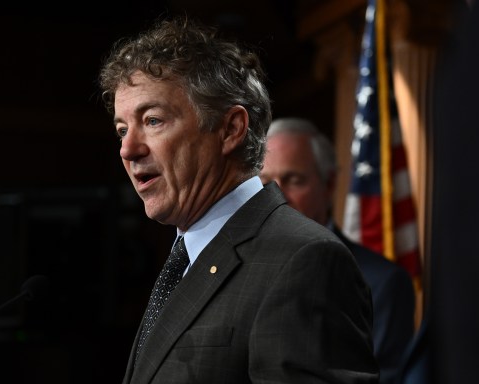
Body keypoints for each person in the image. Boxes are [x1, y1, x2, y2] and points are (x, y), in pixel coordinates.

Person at [98, 15, 378, 384]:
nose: (128, 149)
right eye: (122, 129)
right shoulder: (183, 259)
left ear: (230, 129)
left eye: (152, 120)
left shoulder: (302, 259)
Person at [259, 117, 415, 384]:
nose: (276, 196)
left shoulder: (382, 283)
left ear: (329, 185)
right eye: (264, 183)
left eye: (293, 180)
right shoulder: (236, 270)